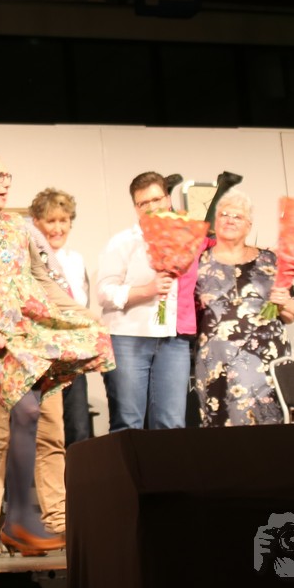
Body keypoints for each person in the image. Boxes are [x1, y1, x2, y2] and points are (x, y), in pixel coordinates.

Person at [0, 156, 112, 556]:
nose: (6, 182)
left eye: (7, 175)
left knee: (51, 435)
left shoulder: (19, 227)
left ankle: (57, 522)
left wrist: (83, 317)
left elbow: (42, 281)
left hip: (35, 347)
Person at [193, 190, 294, 426]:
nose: (230, 220)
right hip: (216, 364)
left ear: (249, 226)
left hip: (266, 362)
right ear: (216, 222)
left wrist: (284, 301)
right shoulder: (198, 262)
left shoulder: (269, 260)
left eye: (238, 216)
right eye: (224, 215)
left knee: (268, 429)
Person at [96, 171, 193, 431]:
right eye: (143, 203)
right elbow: (104, 292)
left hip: (173, 339)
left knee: (172, 424)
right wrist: (147, 290)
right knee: (128, 422)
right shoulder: (122, 242)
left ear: (168, 199)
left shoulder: (186, 239)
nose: (151, 208)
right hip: (128, 337)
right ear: (136, 208)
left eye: (156, 200)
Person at [29, 187, 95, 445]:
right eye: (51, 221)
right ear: (36, 223)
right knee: (46, 431)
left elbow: (83, 304)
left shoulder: (75, 260)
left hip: (73, 354)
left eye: (63, 220)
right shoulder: (27, 260)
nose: (58, 228)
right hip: (41, 355)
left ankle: (77, 474)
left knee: (78, 427)